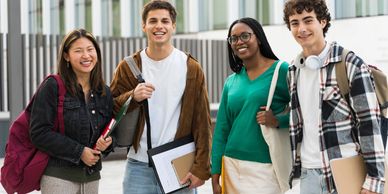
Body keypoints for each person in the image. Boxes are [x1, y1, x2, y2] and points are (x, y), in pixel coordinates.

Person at [109, 1, 212, 194]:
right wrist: (133, 97)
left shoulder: (190, 67)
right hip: (139, 166)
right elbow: (110, 108)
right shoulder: (129, 66)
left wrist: (201, 168)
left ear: (173, 26)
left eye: (165, 21)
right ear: (143, 26)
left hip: (178, 163)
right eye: (152, 21)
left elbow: (202, 122)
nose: (159, 26)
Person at [283, 0, 385, 193]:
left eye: (308, 20)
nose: (301, 29)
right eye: (295, 23)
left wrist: (374, 180)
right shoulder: (293, 71)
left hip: (345, 172)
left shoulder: (349, 64)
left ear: (322, 21)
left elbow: (369, 124)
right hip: (308, 174)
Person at [211, 17, 290, 194]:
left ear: (259, 38)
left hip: (266, 166)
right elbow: (222, 129)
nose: (239, 42)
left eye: (245, 36)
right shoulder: (231, 82)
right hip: (231, 165)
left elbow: (305, 112)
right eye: (234, 38)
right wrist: (215, 172)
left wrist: (278, 120)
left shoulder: (281, 70)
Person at [29, 28, 113, 193]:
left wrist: (108, 143)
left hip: (91, 178)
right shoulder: (53, 86)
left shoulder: (103, 91)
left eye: (90, 50)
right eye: (78, 51)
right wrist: (79, 152)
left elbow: (109, 131)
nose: (86, 55)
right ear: (66, 56)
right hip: (59, 178)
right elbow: (38, 132)